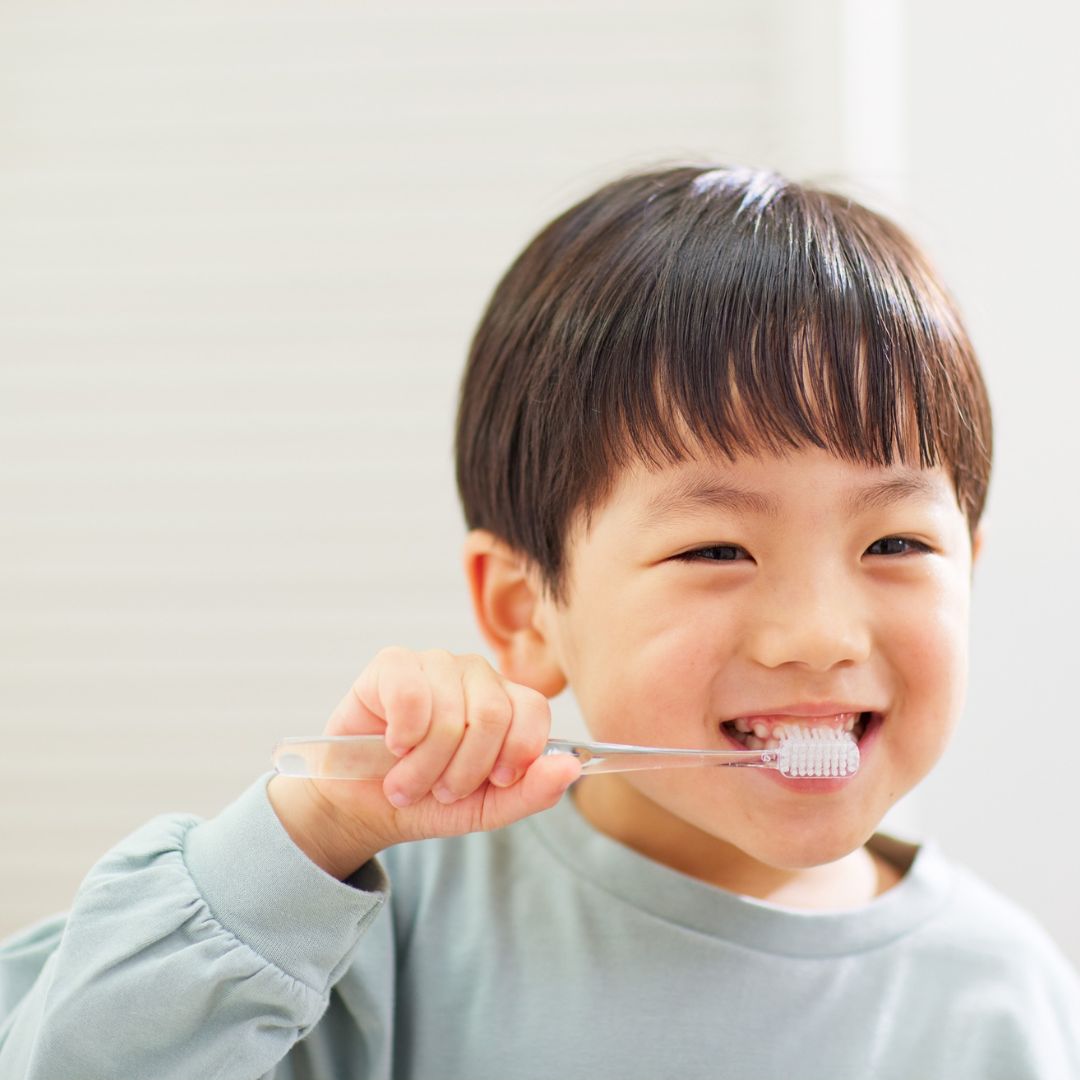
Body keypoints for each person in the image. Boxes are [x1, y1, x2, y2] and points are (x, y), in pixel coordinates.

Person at [2, 164, 1078, 1079]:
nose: (819, 634)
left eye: (896, 545)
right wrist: (311, 836)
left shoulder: (1005, 1001)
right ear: (525, 611)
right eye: (715, 550)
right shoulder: (370, 928)